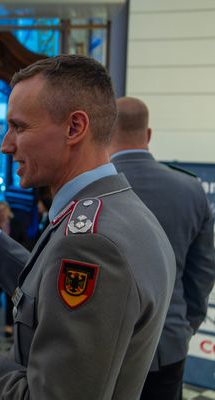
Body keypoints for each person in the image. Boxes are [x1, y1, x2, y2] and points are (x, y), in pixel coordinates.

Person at [0, 54, 176, 399]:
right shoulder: (118, 211)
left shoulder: (91, 242)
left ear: (74, 128)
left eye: (19, 127)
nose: (6, 145)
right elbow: (48, 292)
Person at [110, 96, 215, 400]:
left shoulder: (92, 189)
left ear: (104, 132)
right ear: (149, 134)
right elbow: (202, 273)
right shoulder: (190, 189)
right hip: (168, 344)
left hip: (106, 347)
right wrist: (183, 326)